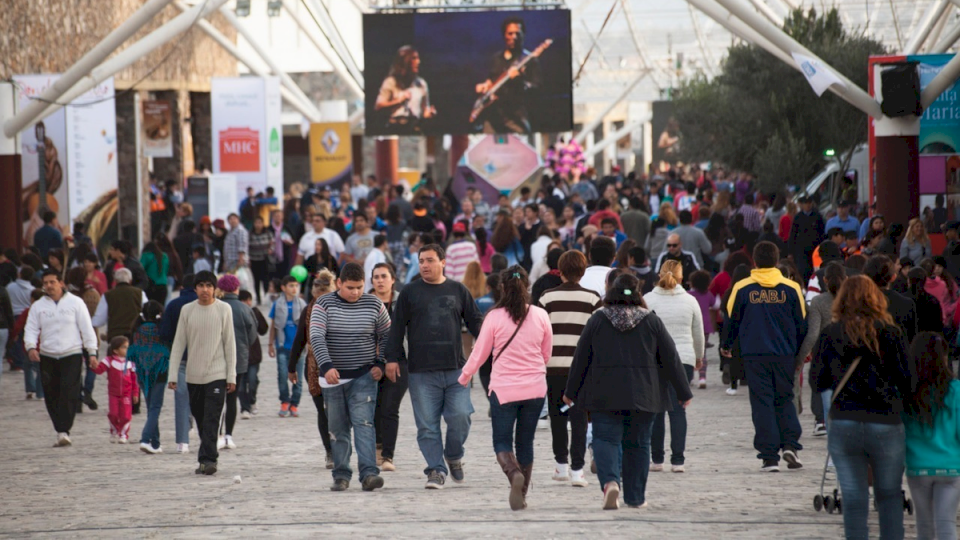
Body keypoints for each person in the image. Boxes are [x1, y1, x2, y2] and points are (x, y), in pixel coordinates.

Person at [563, 273, 693, 510]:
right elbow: (671, 358)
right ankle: (635, 497)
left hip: (604, 393)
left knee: (605, 439)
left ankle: (611, 482)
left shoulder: (598, 319)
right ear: (638, 293)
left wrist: (570, 390)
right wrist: (683, 391)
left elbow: (581, 357)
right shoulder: (651, 321)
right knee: (639, 444)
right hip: (644, 394)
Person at [812, 275, 912, 540]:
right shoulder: (891, 333)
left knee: (854, 498)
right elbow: (907, 379)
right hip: (886, 421)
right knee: (889, 495)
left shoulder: (831, 334)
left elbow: (817, 381)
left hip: (845, 419)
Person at [384, 243, 484, 489]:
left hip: (456, 370)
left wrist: (493, 345)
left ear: (443, 262)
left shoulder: (458, 290)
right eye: (421, 261)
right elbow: (396, 327)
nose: (425, 265)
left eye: (429, 260)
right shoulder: (409, 292)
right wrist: (392, 358)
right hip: (421, 372)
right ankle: (436, 470)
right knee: (427, 426)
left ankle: (453, 455)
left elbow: (476, 323)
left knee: (461, 416)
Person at [455, 265, 551, 511]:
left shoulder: (494, 317)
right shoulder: (540, 315)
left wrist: (464, 377)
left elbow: (479, 353)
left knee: (502, 440)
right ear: (527, 286)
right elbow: (546, 353)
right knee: (526, 442)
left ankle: (513, 475)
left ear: (502, 287)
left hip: (504, 389)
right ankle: (523, 493)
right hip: (536, 388)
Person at [722, 241, 806, 472]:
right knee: (784, 398)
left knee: (762, 403)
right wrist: (798, 352)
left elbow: (731, 319)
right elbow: (802, 323)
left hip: (754, 354)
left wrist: (726, 345)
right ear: (777, 261)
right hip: (784, 354)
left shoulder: (742, 287)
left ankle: (769, 457)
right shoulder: (791, 288)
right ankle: (790, 444)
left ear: (755, 262)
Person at [309, 263, 391, 492]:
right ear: (339, 284)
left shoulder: (373, 304)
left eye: (359, 287)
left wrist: (380, 363)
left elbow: (386, 335)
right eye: (350, 288)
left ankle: (369, 474)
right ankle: (341, 474)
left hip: (364, 376)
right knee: (338, 427)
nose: (355, 292)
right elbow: (316, 336)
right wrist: (326, 366)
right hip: (333, 379)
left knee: (364, 424)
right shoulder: (323, 304)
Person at [537, 250, 601, 488]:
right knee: (580, 419)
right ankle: (577, 469)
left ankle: (561, 465)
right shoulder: (593, 299)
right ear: (583, 272)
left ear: (560, 271)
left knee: (557, 417)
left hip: (554, 368)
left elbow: (539, 333)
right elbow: (597, 337)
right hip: (583, 371)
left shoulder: (546, 298)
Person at [167, 270, 238, 476]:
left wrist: (231, 375)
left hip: (217, 373)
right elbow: (179, 343)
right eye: (201, 286)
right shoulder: (187, 310)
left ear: (215, 288)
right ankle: (207, 454)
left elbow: (230, 345)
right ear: (195, 288)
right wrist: (173, 375)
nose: (205, 290)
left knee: (211, 418)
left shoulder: (224, 309)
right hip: (193, 375)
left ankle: (208, 460)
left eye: (209, 285)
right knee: (200, 417)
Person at [24, 269, 99, 447]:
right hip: (48, 355)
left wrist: (92, 352)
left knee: (69, 391)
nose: (49, 286)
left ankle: (64, 428)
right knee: (51, 393)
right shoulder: (38, 306)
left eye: (52, 282)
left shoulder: (76, 303)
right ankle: (60, 429)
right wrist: (31, 347)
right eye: (46, 283)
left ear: (61, 283)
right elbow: (31, 329)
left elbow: (86, 328)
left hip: (71, 353)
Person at [642, 260, 704, 473]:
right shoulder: (690, 301)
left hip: (655, 359)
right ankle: (678, 460)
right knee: (678, 410)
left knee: (657, 410)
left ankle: (657, 459)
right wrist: (699, 357)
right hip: (683, 358)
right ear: (681, 278)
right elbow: (698, 333)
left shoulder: (648, 300)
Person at [903, 333, 960, 540]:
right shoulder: (956, 391)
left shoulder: (908, 392)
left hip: (918, 467)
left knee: (924, 527)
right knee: (947, 525)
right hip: (951, 467)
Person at [368, 263, 407, 473]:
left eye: (384, 276)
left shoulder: (403, 301)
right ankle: (377, 445)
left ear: (393, 279)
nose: (380, 280)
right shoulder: (365, 302)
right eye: (376, 277)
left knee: (390, 407)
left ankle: (387, 456)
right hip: (370, 363)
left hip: (399, 362)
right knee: (374, 406)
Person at [473, 16, 541, 133]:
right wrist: (484, 86)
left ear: (523, 35)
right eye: (510, 33)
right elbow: (491, 79)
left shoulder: (529, 60)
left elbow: (537, 88)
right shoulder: (496, 59)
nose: (514, 37)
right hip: (493, 116)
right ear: (504, 35)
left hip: (516, 116)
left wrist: (520, 81)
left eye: (517, 33)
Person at [216, 275, 258, 451]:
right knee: (232, 398)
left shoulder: (215, 307)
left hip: (217, 359)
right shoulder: (244, 308)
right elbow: (253, 334)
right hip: (239, 359)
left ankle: (217, 434)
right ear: (236, 289)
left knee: (217, 399)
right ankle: (228, 435)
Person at [159, 273, 196, 454]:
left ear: (182, 288)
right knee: (202, 397)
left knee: (181, 397)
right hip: (201, 357)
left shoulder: (173, 305)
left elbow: (164, 334)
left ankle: (183, 442)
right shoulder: (205, 304)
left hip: (180, 356)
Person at [129, 301, 169, 454]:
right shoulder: (161, 329)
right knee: (155, 407)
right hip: (159, 372)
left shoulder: (136, 329)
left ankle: (155, 443)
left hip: (142, 372)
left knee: (151, 407)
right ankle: (145, 439)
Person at [269, 276, 307, 418]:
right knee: (282, 375)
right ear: (283, 288)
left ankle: (294, 404)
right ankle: (284, 401)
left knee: (299, 378)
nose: (294, 288)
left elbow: (308, 326)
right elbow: (273, 325)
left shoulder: (302, 304)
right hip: (282, 347)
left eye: (296, 286)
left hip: (299, 349)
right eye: (291, 285)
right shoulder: (277, 304)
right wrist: (270, 344)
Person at [375, 45, 435, 133]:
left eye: (418, 58)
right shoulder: (391, 82)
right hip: (395, 127)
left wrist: (429, 114)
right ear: (405, 61)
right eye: (414, 58)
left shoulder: (421, 83)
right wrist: (399, 101)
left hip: (414, 128)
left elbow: (425, 110)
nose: (418, 62)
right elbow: (378, 106)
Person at [90, 336, 139, 443]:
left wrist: (135, 393)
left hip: (126, 394)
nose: (127, 349)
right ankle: (114, 430)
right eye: (124, 347)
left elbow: (135, 379)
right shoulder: (108, 361)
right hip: (113, 393)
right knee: (113, 413)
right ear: (116, 350)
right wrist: (94, 366)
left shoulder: (131, 362)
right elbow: (99, 370)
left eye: (128, 347)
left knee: (126, 415)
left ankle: (123, 434)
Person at [687, 270, 715, 388]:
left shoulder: (687, 295)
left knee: (689, 352)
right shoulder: (708, 295)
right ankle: (702, 378)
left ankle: (690, 377)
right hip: (705, 326)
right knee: (702, 353)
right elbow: (715, 305)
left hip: (690, 325)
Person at [787, 196, 825, 281]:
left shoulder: (817, 216)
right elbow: (793, 234)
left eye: (809, 203)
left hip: (814, 248)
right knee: (803, 271)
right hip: (801, 249)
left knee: (815, 270)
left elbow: (822, 232)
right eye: (806, 203)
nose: (808, 205)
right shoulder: (798, 217)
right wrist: (790, 252)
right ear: (802, 205)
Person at [140, 236, 170, 305]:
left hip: (151, 286)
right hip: (163, 285)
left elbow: (141, 269)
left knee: (150, 308)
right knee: (161, 307)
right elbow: (167, 269)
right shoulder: (164, 256)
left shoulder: (146, 256)